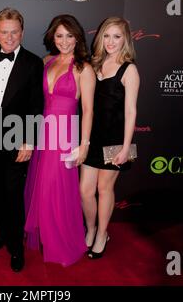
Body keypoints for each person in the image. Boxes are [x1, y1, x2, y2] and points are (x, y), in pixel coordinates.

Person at [24, 15, 95, 266]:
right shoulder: (47, 61)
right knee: (41, 186)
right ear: (52, 37)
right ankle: (47, 234)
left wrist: (84, 144)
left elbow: (88, 110)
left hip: (66, 136)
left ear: (77, 37)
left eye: (69, 35)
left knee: (57, 188)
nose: (64, 41)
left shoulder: (83, 68)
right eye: (59, 36)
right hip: (45, 132)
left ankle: (62, 238)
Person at [0, 8, 44, 272]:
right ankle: (3, 235)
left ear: (22, 32)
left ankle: (16, 247)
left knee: (13, 195)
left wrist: (29, 141)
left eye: (14, 31)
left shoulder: (33, 62)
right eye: (4, 32)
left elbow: (36, 105)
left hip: (18, 140)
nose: (9, 37)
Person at [80, 17, 140, 259]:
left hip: (115, 141)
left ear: (125, 39)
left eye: (117, 36)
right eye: (107, 35)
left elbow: (131, 111)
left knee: (104, 189)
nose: (111, 41)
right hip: (92, 138)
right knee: (84, 190)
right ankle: (91, 228)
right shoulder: (93, 65)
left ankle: (102, 234)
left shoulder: (129, 69)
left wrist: (126, 147)